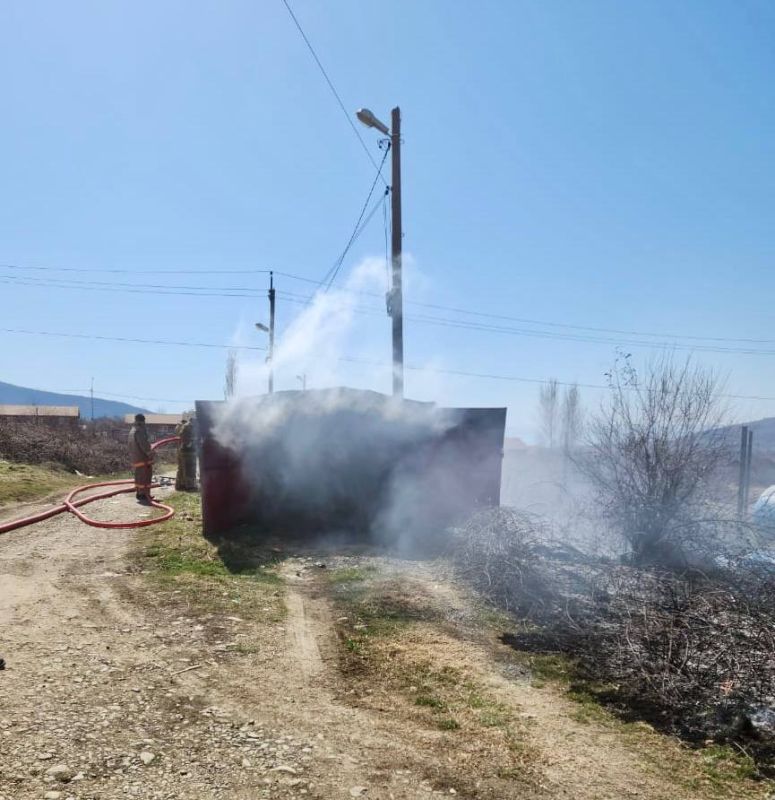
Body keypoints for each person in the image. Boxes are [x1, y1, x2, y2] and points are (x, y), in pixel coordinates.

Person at [128, 413, 154, 503]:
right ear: (142, 421)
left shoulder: (132, 430)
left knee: (139, 476)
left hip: (135, 457)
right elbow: (143, 443)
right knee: (145, 476)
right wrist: (149, 453)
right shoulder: (140, 430)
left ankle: (139, 493)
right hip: (143, 458)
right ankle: (144, 494)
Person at [174, 414, 197, 491]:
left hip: (184, 450)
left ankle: (180, 485)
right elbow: (182, 435)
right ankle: (189, 487)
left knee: (182, 469)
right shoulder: (188, 426)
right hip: (187, 451)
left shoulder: (185, 426)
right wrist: (189, 443)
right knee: (189, 469)